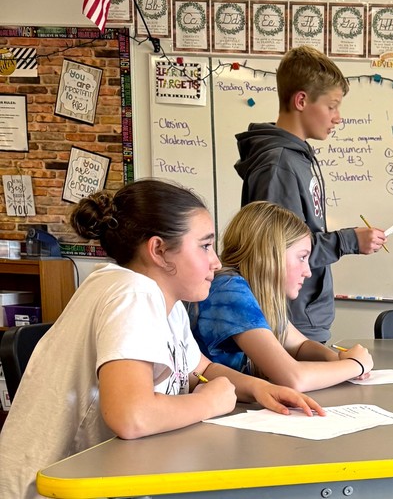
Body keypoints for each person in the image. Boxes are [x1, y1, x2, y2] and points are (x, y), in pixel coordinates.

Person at [0, 180, 323, 499]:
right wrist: (210, 402)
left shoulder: (169, 305)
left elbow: (202, 369)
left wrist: (260, 389)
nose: (217, 262)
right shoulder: (131, 293)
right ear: (158, 250)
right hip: (49, 490)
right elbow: (132, 416)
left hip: (104, 477)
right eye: (205, 246)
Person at [235, 45, 386, 343]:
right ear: (301, 100)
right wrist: (350, 240)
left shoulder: (297, 158)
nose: (337, 117)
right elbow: (279, 251)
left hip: (305, 317)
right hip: (289, 322)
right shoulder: (279, 165)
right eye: (332, 106)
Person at [190, 201, 374, 391]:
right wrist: (355, 365)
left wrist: (335, 359)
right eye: (302, 257)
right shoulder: (229, 289)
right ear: (270, 256)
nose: (308, 272)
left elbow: (300, 345)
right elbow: (294, 378)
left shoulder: (253, 291)